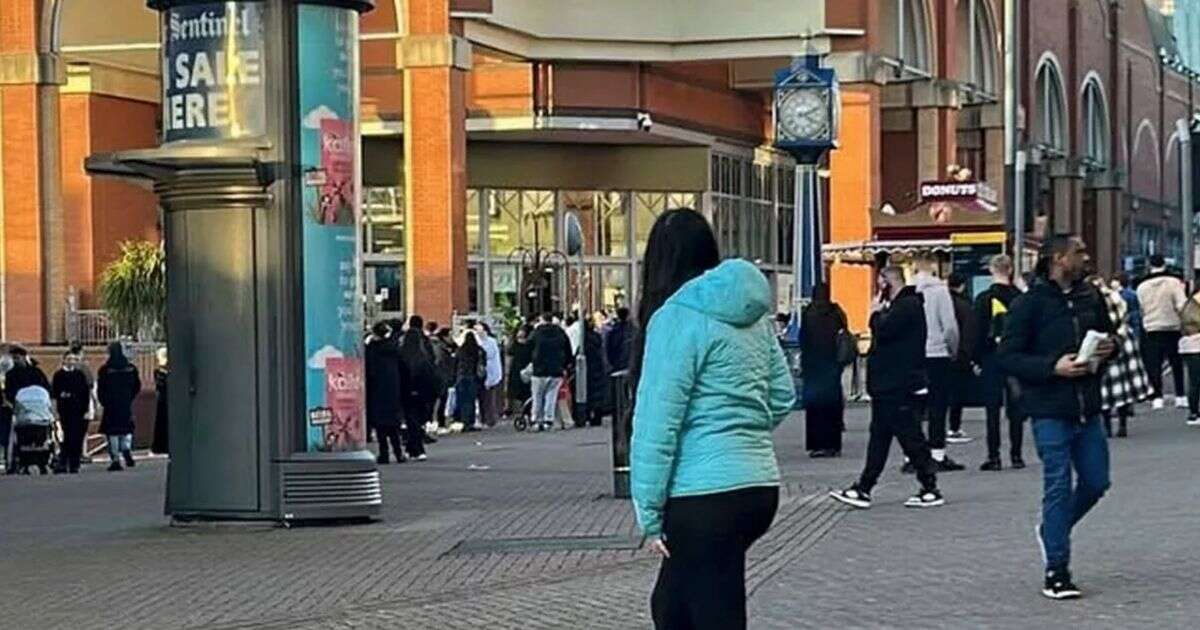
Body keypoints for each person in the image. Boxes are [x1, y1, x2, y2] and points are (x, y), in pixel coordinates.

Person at [630, 208, 793, 630]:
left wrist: (648, 514)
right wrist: (742, 434)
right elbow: (782, 394)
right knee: (672, 604)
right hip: (757, 485)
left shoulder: (675, 318)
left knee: (710, 612)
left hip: (702, 495)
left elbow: (656, 422)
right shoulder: (752, 316)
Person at [998, 234, 1116, 600]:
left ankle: (1052, 528)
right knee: (1058, 484)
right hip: (1049, 408)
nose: (1085, 257)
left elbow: (1109, 334)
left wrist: (1109, 349)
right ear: (1056, 259)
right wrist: (1052, 367)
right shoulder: (1030, 303)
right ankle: (1057, 569)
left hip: (1087, 407)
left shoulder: (1090, 297)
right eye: (1077, 252)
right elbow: (1008, 357)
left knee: (1096, 482)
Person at [830, 265, 945, 510]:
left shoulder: (906, 307)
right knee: (880, 437)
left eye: (881, 282)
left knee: (908, 435)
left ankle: (929, 485)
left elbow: (884, 332)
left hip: (897, 383)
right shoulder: (905, 306)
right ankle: (864, 487)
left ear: (887, 282)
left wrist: (873, 314)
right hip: (889, 385)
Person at [911, 253, 964, 472]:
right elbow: (950, 326)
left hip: (913, 356)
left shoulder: (908, 290)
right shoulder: (941, 291)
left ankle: (911, 455)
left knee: (913, 407)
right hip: (938, 353)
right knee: (938, 406)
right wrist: (953, 349)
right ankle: (937, 454)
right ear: (933, 267)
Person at [973, 255, 1026, 471]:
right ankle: (1016, 455)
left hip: (991, 357)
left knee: (992, 409)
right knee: (1016, 407)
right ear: (1011, 269)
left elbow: (976, 331)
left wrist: (976, 359)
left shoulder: (984, 298)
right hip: (1015, 358)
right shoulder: (1020, 298)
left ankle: (993, 456)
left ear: (992, 271)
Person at [1094, 276, 1152, 438]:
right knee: (1124, 386)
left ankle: (1106, 425)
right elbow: (1125, 315)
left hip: (1102, 343)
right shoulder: (1115, 297)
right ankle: (1122, 423)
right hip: (1123, 341)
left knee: (1105, 388)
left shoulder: (1092, 300)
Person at [800, 283, 848, 457]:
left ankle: (817, 444)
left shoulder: (809, 313)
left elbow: (803, 339)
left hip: (814, 365)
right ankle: (833, 444)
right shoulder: (836, 312)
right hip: (832, 364)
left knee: (815, 408)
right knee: (831, 406)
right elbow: (845, 333)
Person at [1136, 254, 1187, 410]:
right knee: (1176, 363)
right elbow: (1182, 305)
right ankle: (1180, 396)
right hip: (1172, 327)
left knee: (1154, 364)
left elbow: (1142, 309)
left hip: (1151, 328)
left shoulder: (1142, 286)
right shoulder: (1174, 283)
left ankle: (1157, 397)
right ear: (1164, 264)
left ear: (1149, 265)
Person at [97, 342, 142, 472]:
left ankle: (115, 459)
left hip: (111, 404)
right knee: (126, 427)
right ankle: (126, 448)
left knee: (112, 432)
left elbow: (101, 388)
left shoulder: (105, 370)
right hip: (125, 402)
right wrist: (129, 397)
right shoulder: (131, 368)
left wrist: (104, 401)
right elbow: (137, 386)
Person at [945, 272, 979, 445]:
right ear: (962, 285)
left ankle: (941, 428)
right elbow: (969, 333)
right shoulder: (964, 306)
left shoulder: (943, 302)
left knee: (942, 393)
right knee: (957, 394)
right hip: (958, 354)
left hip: (939, 354)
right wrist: (968, 356)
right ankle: (954, 428)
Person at [365, 322, 406, 464]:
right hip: (393, 388)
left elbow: (368, 371)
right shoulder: (394, 349)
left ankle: (384, 454)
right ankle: (399, 453)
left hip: (376, 389)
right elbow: (403, 369)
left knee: (381, 424)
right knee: (393, 424)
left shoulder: (371, 350)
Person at [398, 323, 438, 460]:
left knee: (410, 420)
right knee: (416, 421)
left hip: (406, 392)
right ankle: (414, 448)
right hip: (422, 393)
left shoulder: (401, 356)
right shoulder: (424, 358)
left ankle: (414, 448)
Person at [530, 312, 572, 431]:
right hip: (556, 369)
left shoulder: (537, 333)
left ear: (542, 320)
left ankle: (536, 420)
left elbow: (528, 346)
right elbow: (568, 350)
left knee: (537, 396)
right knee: (551, 396)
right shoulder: (560, 332)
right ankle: (549, 420)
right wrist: (565, 365)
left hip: (539, 369)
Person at [51, 350, 91, 473]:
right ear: (64, 360)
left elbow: (85, 393)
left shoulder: (80, 375)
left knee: (77, 437)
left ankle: (75, 463)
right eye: (69, 359)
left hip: (79, 411)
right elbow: (54, 393)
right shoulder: (58, 375)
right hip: (65, 410)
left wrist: (86, 409)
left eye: (74, 359)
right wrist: (55, 411)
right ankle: (64, 461)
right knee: (67, 437)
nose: (71, 361)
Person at [454, 330, 486, 431]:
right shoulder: (478, 350)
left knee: (462, 400)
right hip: (472, 377)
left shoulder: (460, 350)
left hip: (461, 376)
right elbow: (483, 362)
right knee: (471, 400)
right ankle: (470, 422)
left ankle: (463, 421)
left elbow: (455, 363)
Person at [1179, 277, 1200, 426]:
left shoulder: (1189, 302)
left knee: (1194, 380)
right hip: (1196, 343)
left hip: (1189, 345)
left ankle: (1193, 413)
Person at [429, 326, 456, 431]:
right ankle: (438, 421)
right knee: (440, 400)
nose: (451, 337)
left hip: (441, 376)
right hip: (440, 377)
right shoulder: (441, 348)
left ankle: (436, 420)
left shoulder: (440, 346)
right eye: (450, 335)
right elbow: (442, 363)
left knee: (439, 400)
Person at [476, 323, 504, 428]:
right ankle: (484, 419)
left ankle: (490, 419)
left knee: (489, 398)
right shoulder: (479, 341)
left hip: (490, 373)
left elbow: (489, 356)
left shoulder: (490, 342)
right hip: (482, 373)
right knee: (483, 398)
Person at [582, 317, 608, 427]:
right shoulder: (596, 337)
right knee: (597, 394)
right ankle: (597, 416)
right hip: (597, 367)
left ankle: (587, 415)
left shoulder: (583, 339)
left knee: (587, 392)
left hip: (588, 368)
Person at [506, 324, 534, 419]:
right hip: (517, 370)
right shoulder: (515, 345)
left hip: (525, 370)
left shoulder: (529, 345)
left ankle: (525, 410)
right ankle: (519, 411)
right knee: (517, 391)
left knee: (525, 391)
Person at [605, 307, 636, 374]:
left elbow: (609, 348)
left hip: (617, 365)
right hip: (629, 364)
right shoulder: (633, 330)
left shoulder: (613, 331)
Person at [152, 347, 169, 455]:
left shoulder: (158, 372)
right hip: (167, 400)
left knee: (162, 423)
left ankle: (160, 446)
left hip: (162, 400)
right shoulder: (162, 371)